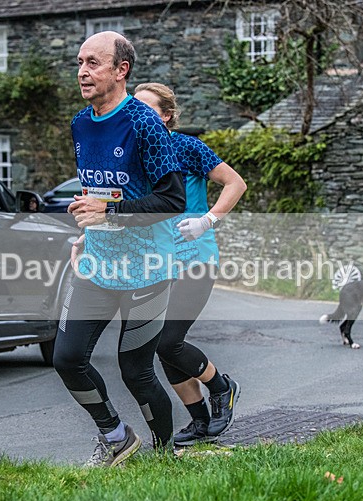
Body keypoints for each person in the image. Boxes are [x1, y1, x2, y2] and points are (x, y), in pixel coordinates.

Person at [54, 31, 186, 467]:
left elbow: (172, 200)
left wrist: (108, 212)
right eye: (79, 62)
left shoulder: (144, 123)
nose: (82, 71)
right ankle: (115, 435)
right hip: (96, 263)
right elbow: (100, 191)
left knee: (137, 373)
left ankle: (165, 459)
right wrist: (87, 230)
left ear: (120, 70)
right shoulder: (79, 123)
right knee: (67, 359)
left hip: (147, 268)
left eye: (93, 62)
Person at [134, 82, 247, 445]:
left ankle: (221, 386)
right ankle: (200, 422)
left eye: (147, 109)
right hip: (158, 263)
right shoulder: (135, 155)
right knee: (161, 345)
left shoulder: (186, 147)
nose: (138, 115)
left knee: (169, 342)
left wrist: (206, 220)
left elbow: (235, 184)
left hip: (196, 259)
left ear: (166, 116)